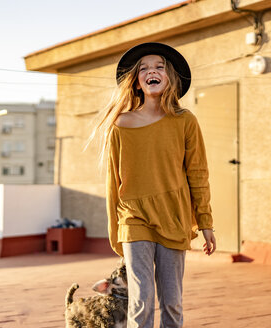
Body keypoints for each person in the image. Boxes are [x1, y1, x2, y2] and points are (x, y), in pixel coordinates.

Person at [89, 42, 216, 328]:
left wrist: (205, 223)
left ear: (169, 76)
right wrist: (116, 232)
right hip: (133, 218)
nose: (151, 72)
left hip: (174, 215)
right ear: (136, 82)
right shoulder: (120, 124)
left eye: (159, 66)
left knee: (172, 301)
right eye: (144, 69)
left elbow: (198, 173)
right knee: (141, 299)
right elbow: (113, 182)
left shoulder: (185, 121)